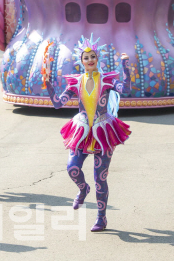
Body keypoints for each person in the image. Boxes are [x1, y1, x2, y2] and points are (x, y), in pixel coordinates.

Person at [43, 35, 131, 232]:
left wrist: (125, 66)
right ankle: (83, 189)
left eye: (93, 56)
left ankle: (101, 218)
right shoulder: (75, 82)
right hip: (81, 131)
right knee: (72, 168)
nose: (90, 60)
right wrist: (48, 85)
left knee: (100, 177)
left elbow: (125, 88)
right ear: (81, 61)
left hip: (104, 131)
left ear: (97, 59)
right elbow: (58, 103)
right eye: (86, 57)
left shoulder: (107, 80)